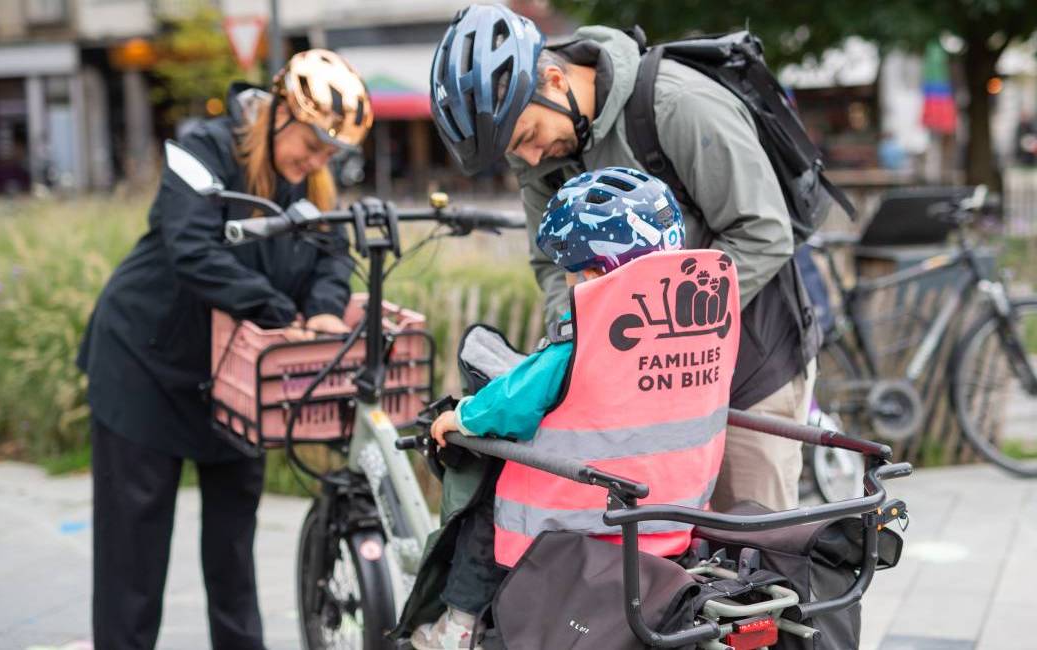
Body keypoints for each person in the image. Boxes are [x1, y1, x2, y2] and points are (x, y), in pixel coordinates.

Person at [429, 3, 818, 513]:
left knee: (761, 555)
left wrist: (650, 318)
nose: (526, 159)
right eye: (512, 152)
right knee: (665, 562)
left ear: (552, 79)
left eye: (525, 137)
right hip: (647, 384)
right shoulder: (545, 159)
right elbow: (551, 264)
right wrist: (577, 339)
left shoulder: (677, 105)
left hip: (753, 363)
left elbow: (762, 232)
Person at [76, 49, 372, 650]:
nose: (317, 163)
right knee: (132, 562)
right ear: (280, 112)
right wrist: (279, 311)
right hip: (145, 364)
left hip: (237, 383)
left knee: (234, 554)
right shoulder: (204, 149)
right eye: (312, 146)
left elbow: (332, 256)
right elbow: (191, 247)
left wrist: (320, 309)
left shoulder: (308, 182)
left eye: (329, 155)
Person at [410, 167, 738, 649]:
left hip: (578, 523)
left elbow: (512, 403)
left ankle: (457, 625)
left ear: (593, 272)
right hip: (674, 517)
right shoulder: (697, 327)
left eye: (570, 269)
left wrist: (458, 417)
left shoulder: (581, 343)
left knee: (484, 507)